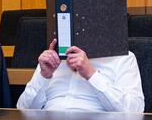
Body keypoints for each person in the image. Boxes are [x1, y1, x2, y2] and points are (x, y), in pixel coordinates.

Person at [16, 38, 145, 112]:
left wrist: (91, 74)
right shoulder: (52, 57)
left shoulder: (123, 57)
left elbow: (134, 112)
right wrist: (44, 77)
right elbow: (23, 110)